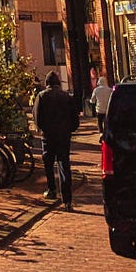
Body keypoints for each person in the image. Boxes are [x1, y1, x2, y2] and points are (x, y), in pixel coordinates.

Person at [36, 71, 79, 209]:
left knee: (48, 163)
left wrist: (43, 129)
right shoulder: (67, 97)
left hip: (48, 136)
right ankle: (67, 199)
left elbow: (37, 118)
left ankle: (52, 190)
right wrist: (69, 130)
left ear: (47, 83)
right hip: (63, 136)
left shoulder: (41, 96)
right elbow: (75, 119)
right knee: (64, 165)